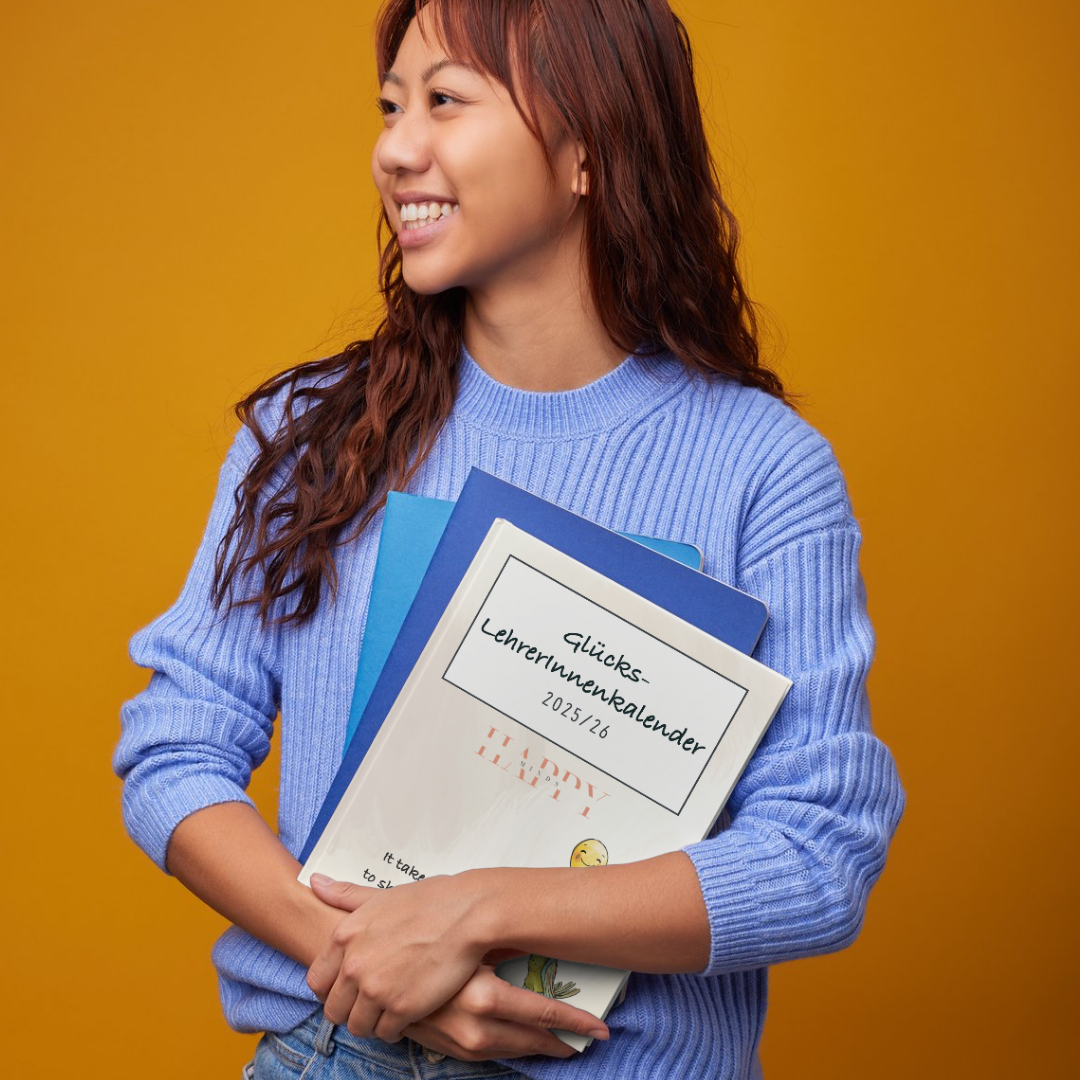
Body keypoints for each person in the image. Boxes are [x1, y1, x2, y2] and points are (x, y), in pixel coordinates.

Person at [115, 1, 904, 1077]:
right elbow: (176, 745)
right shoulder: (311, 434)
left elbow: (819, 854)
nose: (397, 149)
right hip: (331, 1052)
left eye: (445, 102)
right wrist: (367, 961)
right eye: (391, 108)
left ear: (587, 148)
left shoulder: (764, 470)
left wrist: (474, 915)